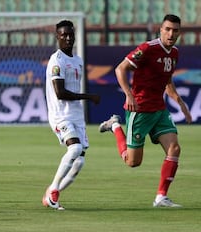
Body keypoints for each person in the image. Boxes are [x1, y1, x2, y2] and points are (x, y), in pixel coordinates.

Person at [99, 14, 192, 208]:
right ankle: (115, 125)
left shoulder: (174, 53)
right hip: (139, 109)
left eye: (175, 30)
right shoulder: (147, 49)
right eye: (167, 29)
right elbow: (120, 69)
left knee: (174, 148)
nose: (171, 33)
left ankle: (161, 197)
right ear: (161, 30)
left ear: (179, 33)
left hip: (159, 109)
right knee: (133, 162)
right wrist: (129, 95)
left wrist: (180, 103)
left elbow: (167, 81)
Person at [42, 20, 100, 210]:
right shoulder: (56, 60)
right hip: (60, 115)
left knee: (80, 162)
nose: (67, 38)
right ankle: (53, 194)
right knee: (74, 150)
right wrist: (88, 96)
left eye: (70, 34)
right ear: (57, 37)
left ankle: (51, 191)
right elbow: (60, 93)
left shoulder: (78, 60)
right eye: (63, 34)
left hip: (77, 116)